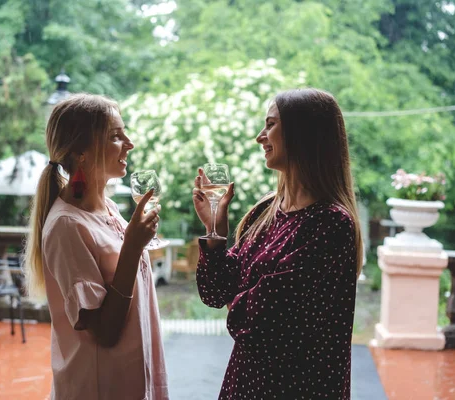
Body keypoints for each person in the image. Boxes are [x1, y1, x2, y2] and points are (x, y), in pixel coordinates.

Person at [193, 88, 363, 399]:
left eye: (270, 125)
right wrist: (215, 232)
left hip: (296, 389)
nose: (260, 136)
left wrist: (240, 296)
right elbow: (216, 293)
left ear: (303, 134)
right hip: (245, 383)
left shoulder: (330, 225)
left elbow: (259, 320)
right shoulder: (266, 210)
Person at [24, 93, 169, 400]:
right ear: (82, 153)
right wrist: (131, 248)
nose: (129, 143)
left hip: (130, 384)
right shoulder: (67, 225)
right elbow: (104, 331)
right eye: (116, 136)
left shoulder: (111, 210)